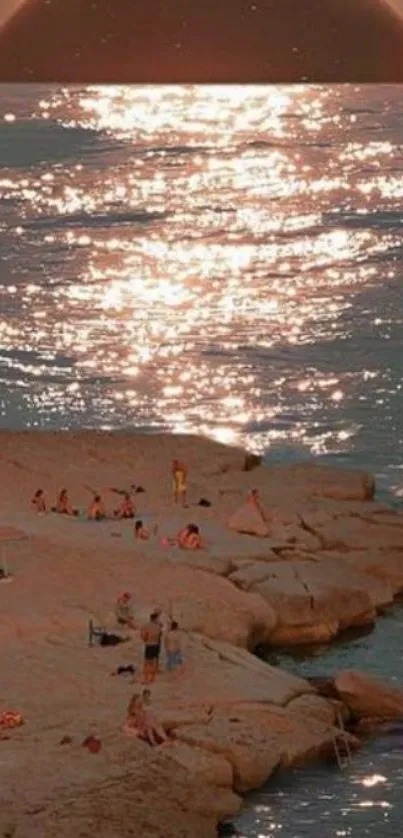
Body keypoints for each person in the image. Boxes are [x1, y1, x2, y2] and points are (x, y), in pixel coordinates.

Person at [140, 611, 163, 684]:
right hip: (156, 645)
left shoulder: (146, 626)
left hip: (149, 644)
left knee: (147, 663)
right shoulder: (158, 626)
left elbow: (143, 635)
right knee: (153, 663)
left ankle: (146, 679)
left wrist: (146, 640)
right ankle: (152, 678)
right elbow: (160, 634)